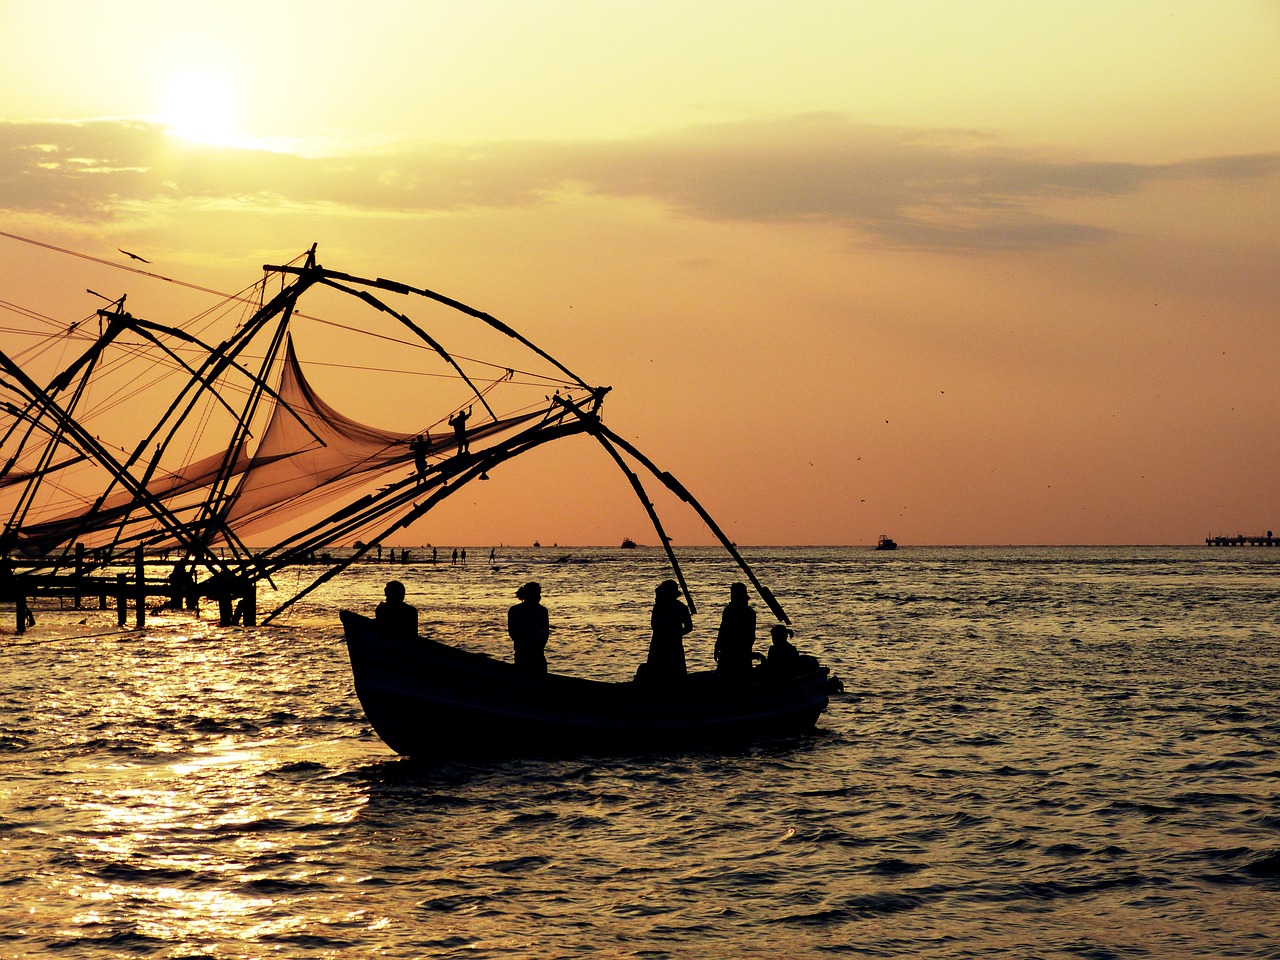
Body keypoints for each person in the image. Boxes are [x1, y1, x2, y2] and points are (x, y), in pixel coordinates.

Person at [645, 579, 693, 680]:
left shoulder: (662, 606)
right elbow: (689, 628)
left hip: (664, 644)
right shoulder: (678, 607)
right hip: (665, 643)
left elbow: (654, 625)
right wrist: (676, 634)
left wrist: (674, 635)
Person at [714, 582, 758, 680]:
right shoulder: (728, 611)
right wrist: (717, 647)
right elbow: (722, 630)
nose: (732, 596)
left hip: (740, 650)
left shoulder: (748, 613)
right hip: (727, 650)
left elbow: (750, 635)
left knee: (740, 677)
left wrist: (744, 650)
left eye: (734, 594)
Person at [508, 581, 549, 674]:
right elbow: (512, 632)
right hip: (523, 650)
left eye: (539, 594)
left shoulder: (542, 611)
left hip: (536, 651)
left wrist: (540, 645)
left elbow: (545, 632)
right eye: (536, 594)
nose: (539, 597)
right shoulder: (515, 610)